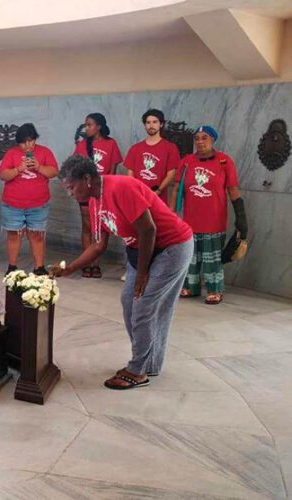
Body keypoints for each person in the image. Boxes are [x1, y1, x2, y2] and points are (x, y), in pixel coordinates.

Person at [54, 155, 193, 389]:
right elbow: (98, 245)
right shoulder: (94, 202)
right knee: (129, 301)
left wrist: (142, 275)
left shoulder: (121, 187)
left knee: (144, 306)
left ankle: (137, 371)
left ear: (87, 179)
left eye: (71, 187)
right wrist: (70, 268)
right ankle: (148, 363)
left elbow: (148, 230)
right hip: (140, 250)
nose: (69, 194)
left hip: (171, 247)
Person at [170, 126, 247, 305]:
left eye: (204, 138)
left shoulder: (224, 161)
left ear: (212, 140)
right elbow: (176, 189)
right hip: (190, 221)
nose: (200, 142)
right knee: (191, 257)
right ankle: (191, 287)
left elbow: (233, 190)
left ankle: (215, 290)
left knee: (212, 258)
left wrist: (241, 217)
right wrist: (171, 213)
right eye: (197, 138)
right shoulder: (187, 161)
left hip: (214, 221)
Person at [0, 123, 58, 276]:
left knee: (36, 235)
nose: (28, 145)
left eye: (31, 141)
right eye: (24, 142)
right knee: (14, 235)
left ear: (35, 139)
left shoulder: (45, 152)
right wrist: (18, 169)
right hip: (13, 204)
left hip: (38, 204)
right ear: (18, 142)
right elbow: (3, 175)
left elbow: (53, 172)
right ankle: (12, 267)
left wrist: (38, 167)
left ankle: (39, 268)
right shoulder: (11, 153)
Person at [72, 113, 123, 278]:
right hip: (85, 192)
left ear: (99, 126)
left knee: (99, 228)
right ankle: (86, 263)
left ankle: (96, 264)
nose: (86, 128)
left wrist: (107, 191)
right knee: (87, 227)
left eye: (89, 125)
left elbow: (113, 171)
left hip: (102, 192)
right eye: (85, 125)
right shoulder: (82, 145)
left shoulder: (111, 143)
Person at [124, 109, 180, 206]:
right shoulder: (135, 149)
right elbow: (130, 174)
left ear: (161, 124)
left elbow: (171, 174)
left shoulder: (170, 148)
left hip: (159, 199)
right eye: (148, 122)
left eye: (154, 122)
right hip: (138, 198)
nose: (151, 125)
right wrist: (136, 192)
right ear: (144, 125)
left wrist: (158, 190)